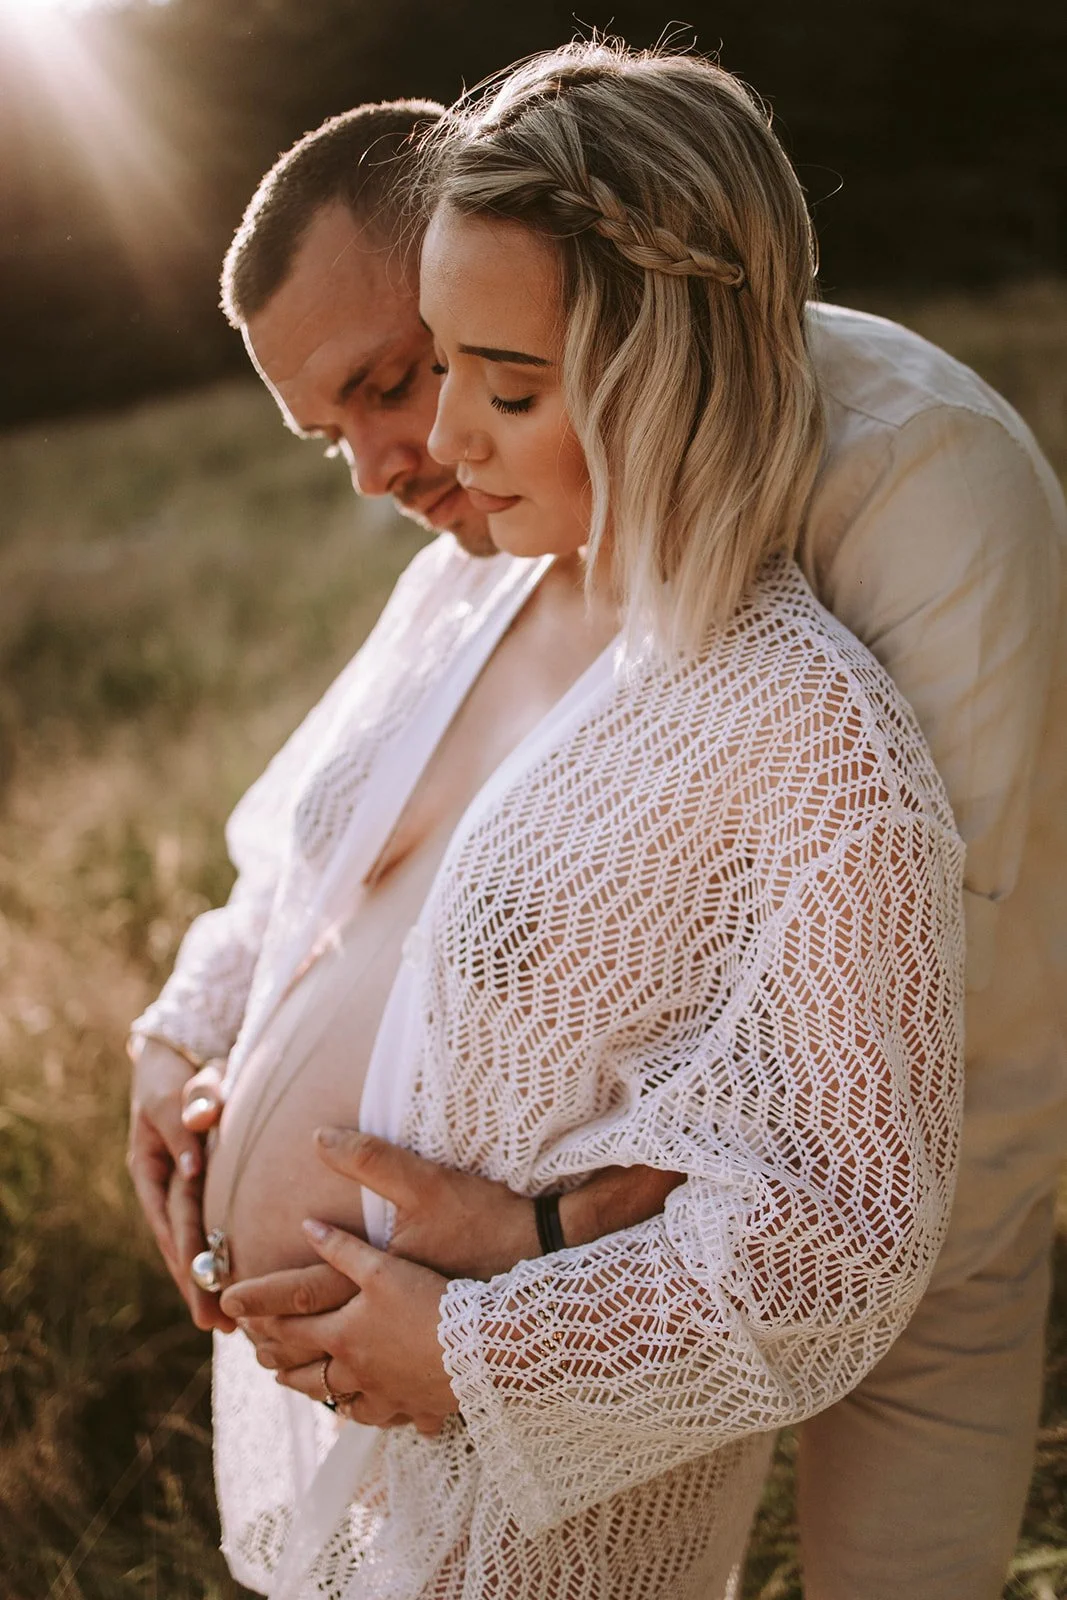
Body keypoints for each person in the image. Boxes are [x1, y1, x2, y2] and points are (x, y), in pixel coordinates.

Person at [124, 61, 1067, 1600]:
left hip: (931, 1171)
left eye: (438, 379)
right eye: (341, 422)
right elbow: (316, 848)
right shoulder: (482, 569)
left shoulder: (911, 506)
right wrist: (188, 1037)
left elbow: (847, 1090)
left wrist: (526, 1267)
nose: (410, 453)